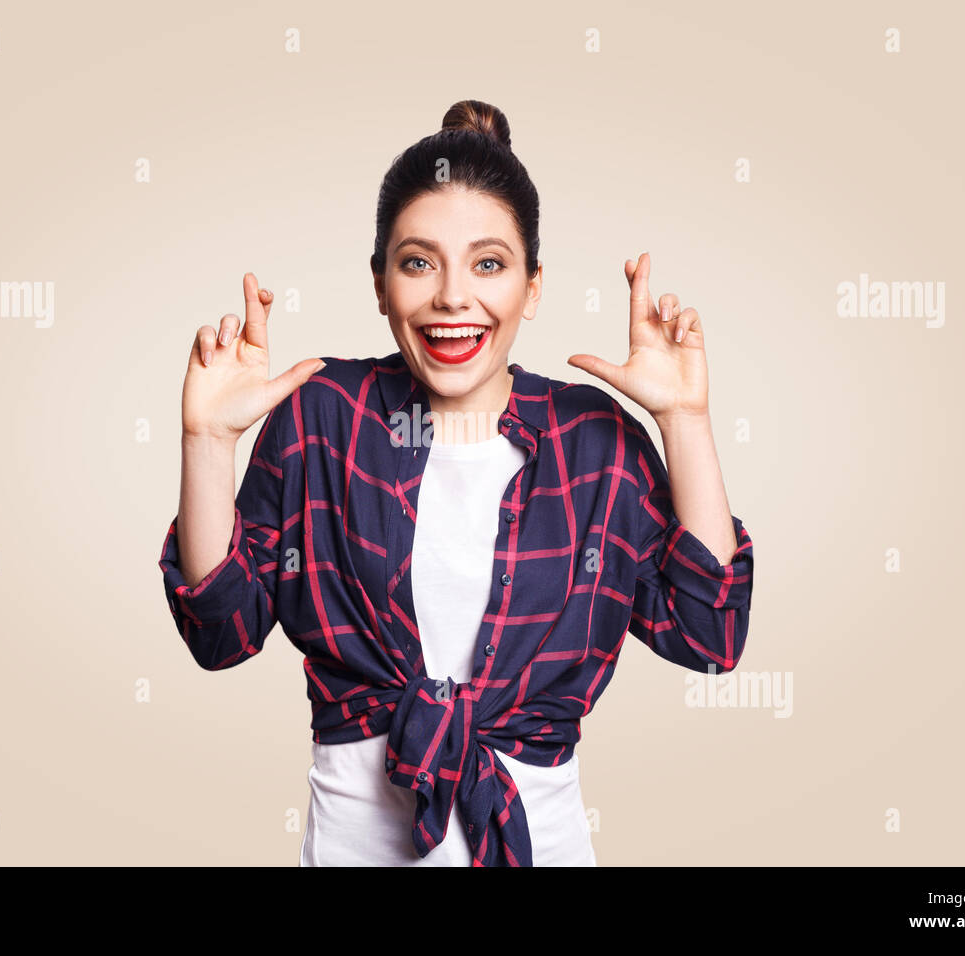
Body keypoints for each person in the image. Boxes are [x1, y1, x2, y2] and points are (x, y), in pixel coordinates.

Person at [159, 100, 755, 866]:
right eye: (417, 262)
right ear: (380, 285)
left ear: (532, 287)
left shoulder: (593, 440)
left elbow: (709, 637)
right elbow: (220, 634)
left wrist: (686, 420)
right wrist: (206, 440)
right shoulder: (321, 416)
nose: (450, 297)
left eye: (488, 263)